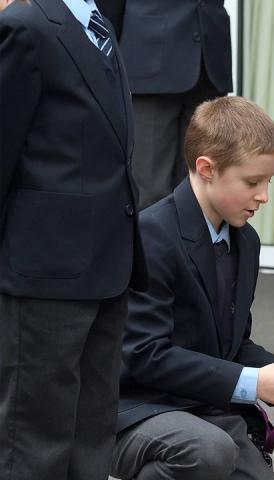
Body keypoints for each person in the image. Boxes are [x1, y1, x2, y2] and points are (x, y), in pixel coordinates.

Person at [110, 96, 274, 480]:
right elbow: (143, 355)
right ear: (206, 168)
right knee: (206, 451)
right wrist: (256, 383)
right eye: (253, 182)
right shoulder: (151, 235)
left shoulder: (245, 241)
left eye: (269, 181)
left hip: (202, 406)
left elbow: (230, 345)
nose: (264, 196)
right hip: (134, 409)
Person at [0, 0, 148, 478]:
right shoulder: (24, 27)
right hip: (44, 271)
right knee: (34, 438)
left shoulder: (99, 23)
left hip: (106, 267)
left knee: (92, 433)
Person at [119, 0, 233, 209]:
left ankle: (198, 243)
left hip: (209, 62)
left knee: (204, 185)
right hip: (149, 59)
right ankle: (150, 243)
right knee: (151, 188)